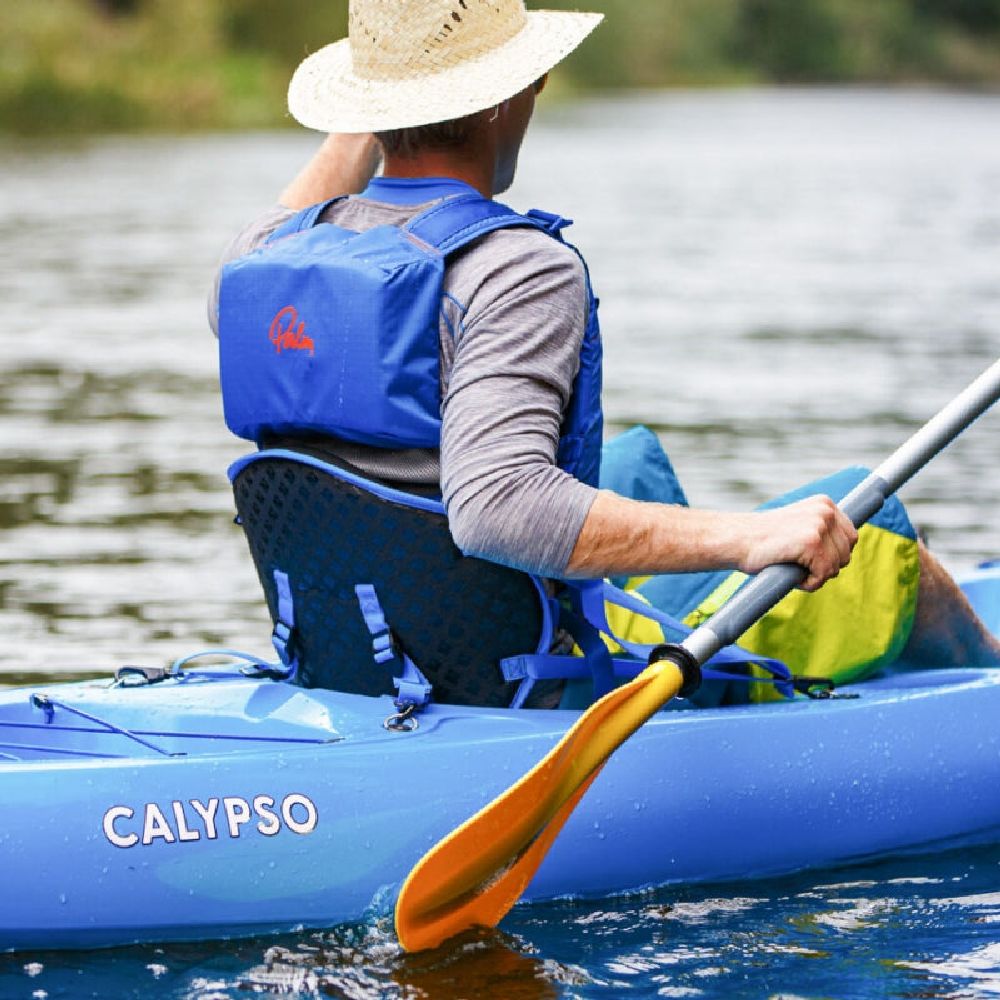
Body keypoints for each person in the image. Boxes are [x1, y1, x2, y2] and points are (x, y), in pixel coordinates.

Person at [210, 0, 1000, 709]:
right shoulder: (518, 267)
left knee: (629, 462)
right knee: (865, 515)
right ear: (516, 94)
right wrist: (749, 539)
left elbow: (236, 279)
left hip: (358, 640)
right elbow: (499, 507)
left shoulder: (266, 262)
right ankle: (986, 681)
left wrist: (380, 113)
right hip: (511, 670)